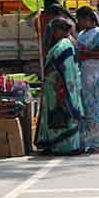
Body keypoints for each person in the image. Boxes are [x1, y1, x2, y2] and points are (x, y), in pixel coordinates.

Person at [37, 18, 84, 155]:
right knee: (56, 115)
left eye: (54, 30)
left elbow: (65, 68)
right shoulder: (67, 43)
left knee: (61, 115)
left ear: (59, 30)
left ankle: (64, 146)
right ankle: (58, 145)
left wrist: (60, 85)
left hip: (59, 86)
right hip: (58, 86)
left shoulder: (64, 45)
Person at [75, 7, 99, 154]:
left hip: (96, 76)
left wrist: (86, 53)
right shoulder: (82, 34)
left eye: (81, 19)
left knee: (95, 109)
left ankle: (96, 142)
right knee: (85, 109)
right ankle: (85, 141)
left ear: (88, 18)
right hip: (84, 75)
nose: (79, 23)